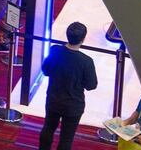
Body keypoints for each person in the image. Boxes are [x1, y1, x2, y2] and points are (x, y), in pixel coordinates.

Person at [38, 22, 97, 150]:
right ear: (83, 39)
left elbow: (46, 70)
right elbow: (91, 85)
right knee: (66, 138)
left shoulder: (55, 51)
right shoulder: (86, 61)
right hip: (73, 105)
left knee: (48, 128)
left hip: (54, 99)